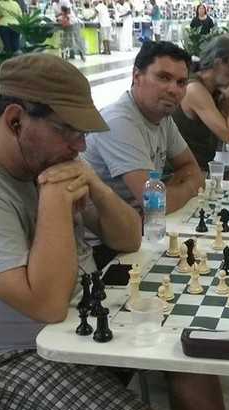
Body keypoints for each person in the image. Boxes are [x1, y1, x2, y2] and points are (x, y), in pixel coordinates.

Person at [0, 53, 229, 410]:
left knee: (192, 356)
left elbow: (130, 239)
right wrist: (53, 203)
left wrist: (95, 184)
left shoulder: (50, 158)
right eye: (70, 131)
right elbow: (46, 304)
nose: (81, 144)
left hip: (75, 320)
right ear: (15, 120)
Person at [83, 41, 204, 262]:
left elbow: (192, 170)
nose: (173, 89)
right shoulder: (119, 121)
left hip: (144, 231)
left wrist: (169, 195)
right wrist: (185, 188)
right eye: (163, 77)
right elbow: (155, 203)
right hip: (105, 251)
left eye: (181, 82)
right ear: (136, 76)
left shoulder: (162, 117)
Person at [173, 36, 229, 179]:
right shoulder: (195, 89)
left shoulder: (216, 89)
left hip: (203, 166)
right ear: (218, 63)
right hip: (186, 172)